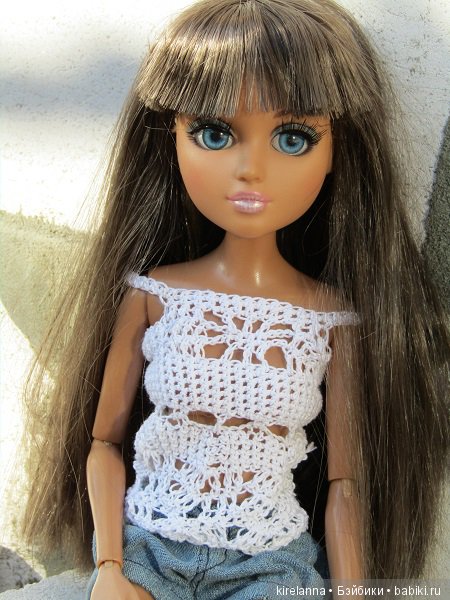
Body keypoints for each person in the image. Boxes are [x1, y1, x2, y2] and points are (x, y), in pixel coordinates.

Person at [23, 0, 449, 598]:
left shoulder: (329, 319)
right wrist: (111, 567)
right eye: (215, 133)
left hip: (266, 563)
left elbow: (345, 485)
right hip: (148, 548)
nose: (251, 169)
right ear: (171, 139)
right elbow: (103, 443)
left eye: (294, 138)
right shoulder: (154, 295)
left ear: (336, 152)